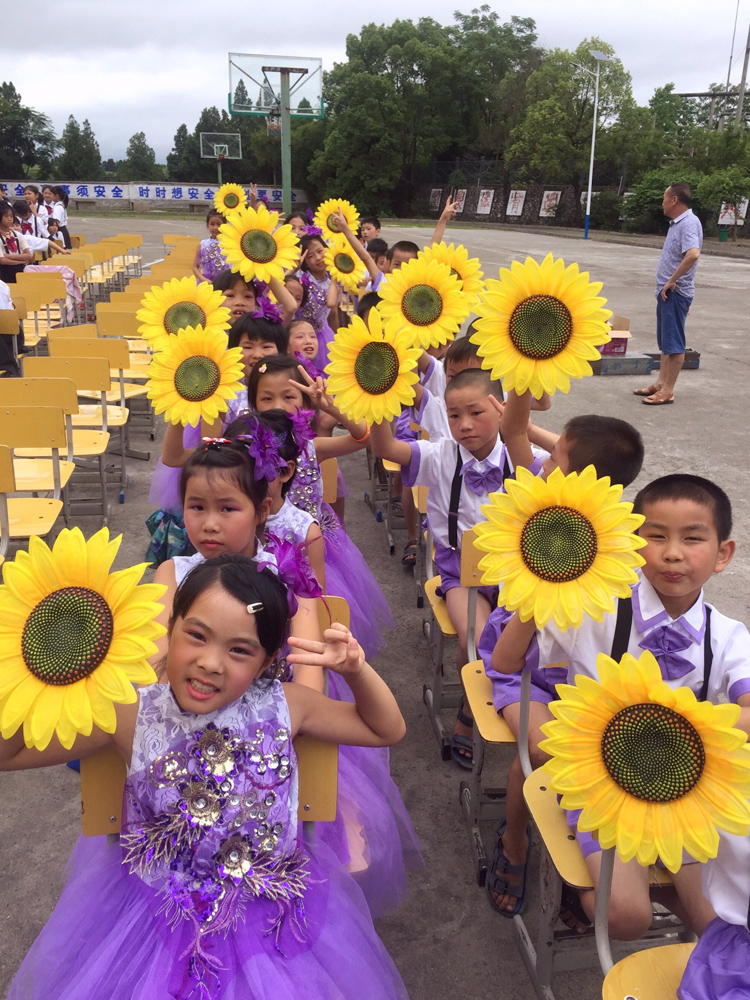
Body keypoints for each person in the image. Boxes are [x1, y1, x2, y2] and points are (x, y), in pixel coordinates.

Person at [1, 553, 409, 1000]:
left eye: (239, 650)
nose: (211, 663)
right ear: (169, 627)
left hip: (267, 909)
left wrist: (356, 670)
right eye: (196, 635)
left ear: (267, 660)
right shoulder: (128, 712)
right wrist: (30, 680)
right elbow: (11, 752)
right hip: (153, 917)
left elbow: (385, 729)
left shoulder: (288, 705)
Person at [493, 474, 749, 939]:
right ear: (632, 542)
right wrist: (539, 589)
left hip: (679, 798)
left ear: (723, 554)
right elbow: (506, 662)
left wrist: (693, 731)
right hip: (598, 785)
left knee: (717, 926)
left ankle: (651, 884)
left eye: (693, 538)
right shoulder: (595, 607)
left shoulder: (729, 637)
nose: (673, 552)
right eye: (656, 536)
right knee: (627, 920)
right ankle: (571, 887)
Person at [480, 392, 644, 916]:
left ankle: (584, 848)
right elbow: (517, 434)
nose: (543, 461)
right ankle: (516, 842)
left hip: (587, 682)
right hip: (529, 669)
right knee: (542, 751)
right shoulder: (545, 510)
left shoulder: (613, 547)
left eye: (556, 457)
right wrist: (525, 377)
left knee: (596, 754)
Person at [370, 367, 506, 767]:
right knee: (477, 642)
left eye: (476, 413)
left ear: (500, 409)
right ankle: (467, 716)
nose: (463, 425)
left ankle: (507, 700)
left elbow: (577, 459)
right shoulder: (439, 454)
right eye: (453, 414)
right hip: (460, 571)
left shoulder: (524, 457)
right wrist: (376, 398)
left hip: (517, 574)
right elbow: (386, 449)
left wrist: (524, 422)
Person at [247, 353, 396, 662]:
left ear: (304, 403)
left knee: (313, 620)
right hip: (259, 551)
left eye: (288, 396)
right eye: (266, 397)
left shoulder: (312, 447)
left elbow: (362, 436)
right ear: (253, 405)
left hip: (312, 551)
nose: (278, 405)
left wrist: (328, 406)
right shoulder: (244, 450)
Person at [634, 182, 702, 406]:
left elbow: (693, 254)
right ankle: (660, 383)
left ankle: (668, 391)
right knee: (666, 341)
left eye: (665, 198)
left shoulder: (688, 222)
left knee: (674, 344)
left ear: (674, 200)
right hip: (667, 292)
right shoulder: (677, 223)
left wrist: (673, 280)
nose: (662, 203)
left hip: (674, 291)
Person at [192, 208, 228, 282]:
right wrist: (203, 279)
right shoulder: (202, 245)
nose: (215, 227)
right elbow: (195, 267)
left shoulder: (229, 243)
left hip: (225, 282)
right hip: (206, 282)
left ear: (225, 225)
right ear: (207, 226)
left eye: (219, 224)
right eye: (212, 224)